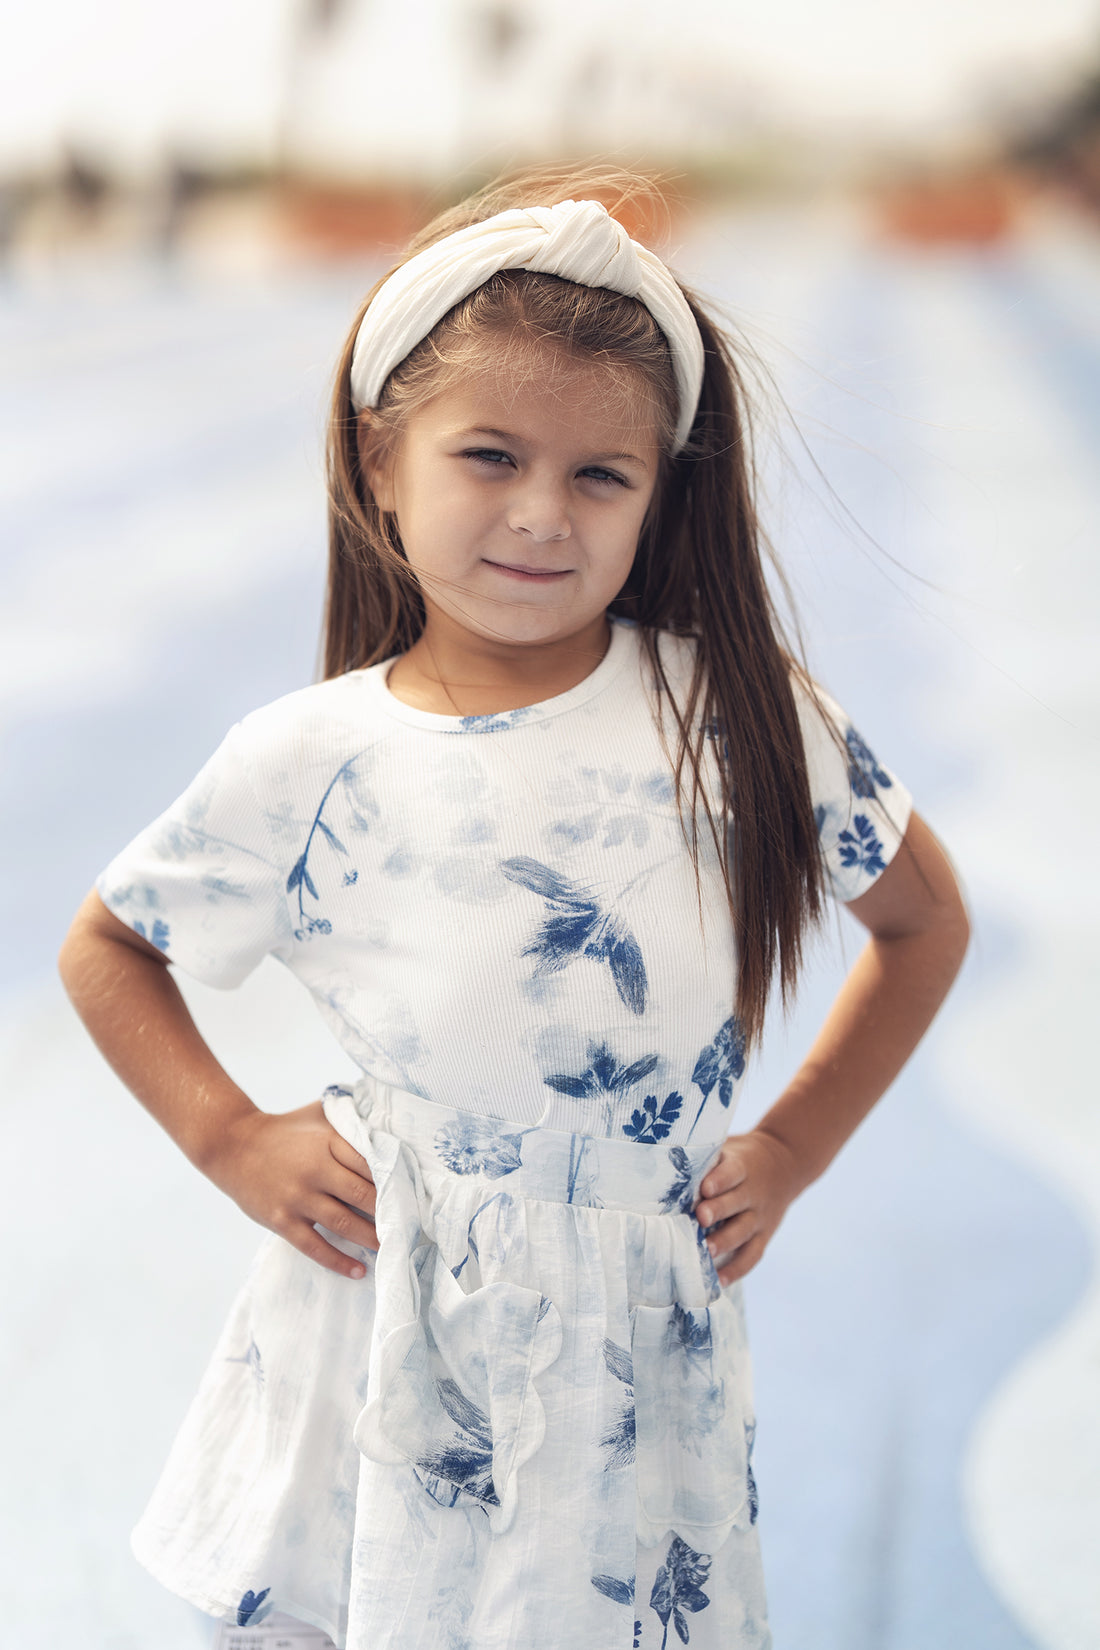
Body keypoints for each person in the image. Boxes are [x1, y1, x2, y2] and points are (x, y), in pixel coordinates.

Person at [58, 170, 969, 1650]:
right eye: (490, 455)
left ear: (660, 486)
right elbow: (108, 944)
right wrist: (231, 1136)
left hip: (635, 1346)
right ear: (383, 461)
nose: (544, 514)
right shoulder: (311, 753)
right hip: (382, 1322)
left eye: (602, 474)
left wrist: (794, 1144)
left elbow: (926, 924)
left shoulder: (737, 711)